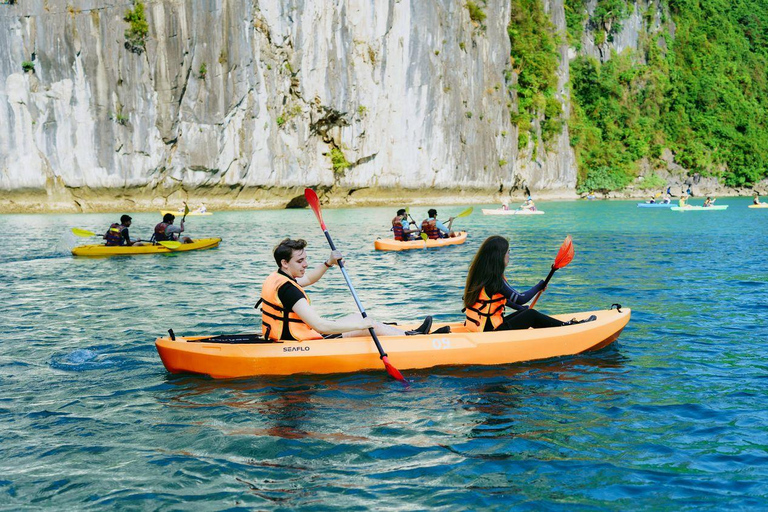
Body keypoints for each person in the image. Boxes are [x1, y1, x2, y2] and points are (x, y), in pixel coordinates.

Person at [258, 238, 436, 341]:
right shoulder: (289, 291)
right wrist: (361, 326)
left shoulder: (279, 277)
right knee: (366, 324)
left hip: (287, 335)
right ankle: (412, 339)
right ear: (284, 263)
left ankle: (408, 334)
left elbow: (309, 278)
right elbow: (319, 325)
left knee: (358, 317)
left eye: (305, 258)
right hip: (300, 342)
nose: (305, 264)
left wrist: (329, 263)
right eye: (300, 261)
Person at [463, 236, 595, 331]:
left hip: (480, 328)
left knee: (527, 312)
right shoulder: (495, 279)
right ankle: (567, 328)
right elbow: (520, 299)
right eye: (508, 252)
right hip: (491, 332)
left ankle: (564, 326)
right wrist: (539, 286)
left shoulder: (480, 274)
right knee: (531, 315)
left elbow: (501, 301)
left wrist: (522, 310)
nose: (509, 255)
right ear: (499, 256)